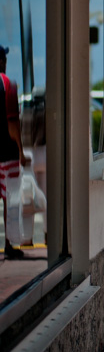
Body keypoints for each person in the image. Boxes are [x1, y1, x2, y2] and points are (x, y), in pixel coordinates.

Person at [0, 45, 26, 259]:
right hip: (7, 152)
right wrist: (22, 151)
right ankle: (8, 245)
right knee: (9, 199)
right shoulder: (8, 84)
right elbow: (12, 123)